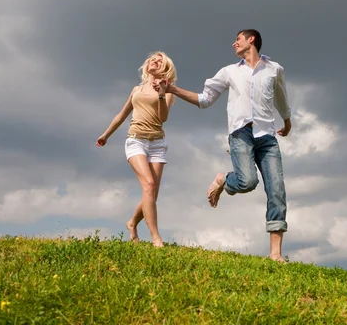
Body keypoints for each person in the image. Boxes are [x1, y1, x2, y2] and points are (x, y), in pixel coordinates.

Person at [153, 29, 292, 262]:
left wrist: (287, 123)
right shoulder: (230, 72)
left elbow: (281, 97)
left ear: (252, 40)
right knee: (247, 181)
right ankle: (223, 180)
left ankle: (275, 253)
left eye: (238, 39)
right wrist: (172, 89)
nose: (233, 43)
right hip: (240, 134)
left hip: (267, 137)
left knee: (276, 190)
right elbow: (205, 99)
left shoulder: (274, 69)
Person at [96, 51, 177, 248]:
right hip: (136, 140)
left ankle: (132, 223)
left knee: (152, 192)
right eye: (152, 60)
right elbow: (121, 115)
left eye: (159, 61)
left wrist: (160, 94)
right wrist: (105, 135)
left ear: (165, 68)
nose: (154, 62)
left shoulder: (167, 91)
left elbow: (163, 118)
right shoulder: (136, 90)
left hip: (157, 143)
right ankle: (156, 237)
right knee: (148, 185)